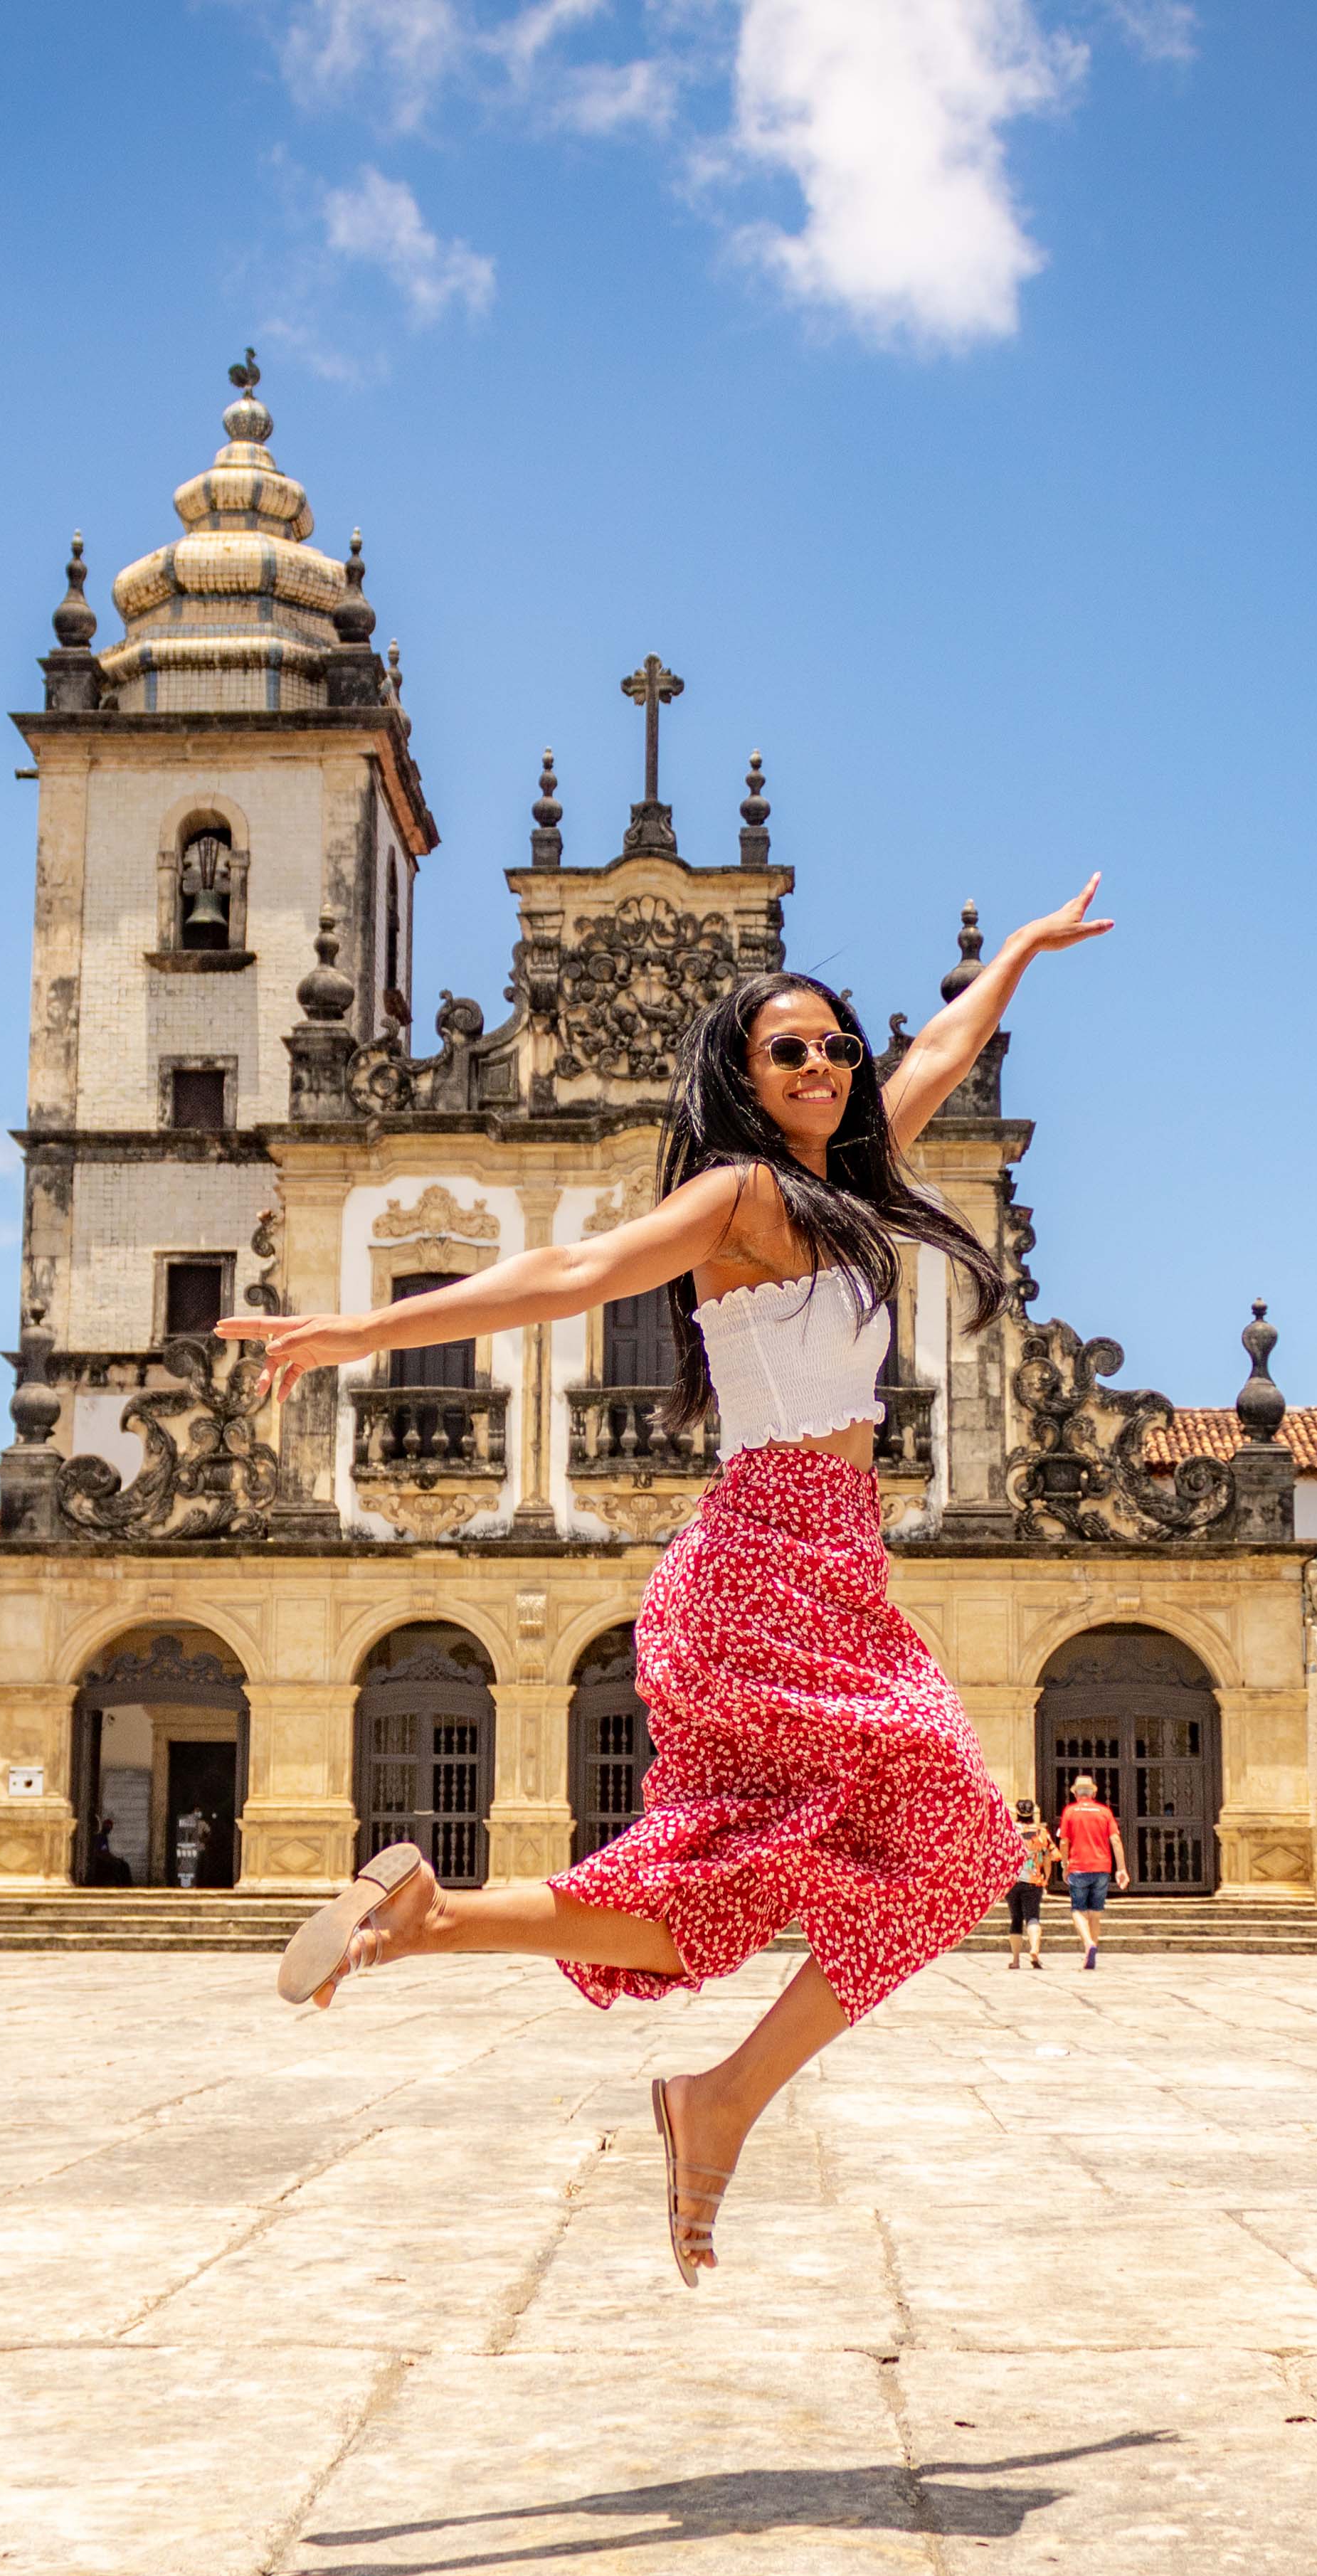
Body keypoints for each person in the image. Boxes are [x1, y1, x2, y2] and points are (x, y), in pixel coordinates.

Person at [225, 874, 1119, 2286]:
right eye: (791, 1050)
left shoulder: (843, 1181)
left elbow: (940, 1050)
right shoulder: (742, 1193)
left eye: (836, 1046)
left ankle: (443, 1927)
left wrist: (1015, 954)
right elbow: (576, 1268)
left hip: (820, 1560)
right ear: (742, 1078)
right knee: (948, 1839)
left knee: (752, 1883)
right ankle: (713, 2090)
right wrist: (354, 1328)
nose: (825, 1065)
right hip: (766, 1561)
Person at [1054, 1774, 1118, 1968]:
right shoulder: (1104, 1812)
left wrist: (1065, 1865)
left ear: (1075, 1794)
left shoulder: (1070, 1812)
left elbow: (1064, 1841)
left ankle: (1088, 1944)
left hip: (1079, 1867)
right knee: (1096, 1913)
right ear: (1094, 1792)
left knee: (1078, 1910)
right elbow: (1115, 1840)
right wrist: (1121, 1868)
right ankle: (1090, 1953)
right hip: (1102, 1868)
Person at [1005, 1810, 1054, 1970]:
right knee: (1033, 1917)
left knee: (1016, 1919)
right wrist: (1046, 1877)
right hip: (1034, 1880)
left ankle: (1016, 1960)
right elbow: (1048, 1857)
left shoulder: (1010, 1832)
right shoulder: (1041, 1833)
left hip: (1013, 1881)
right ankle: (1034, 1950)